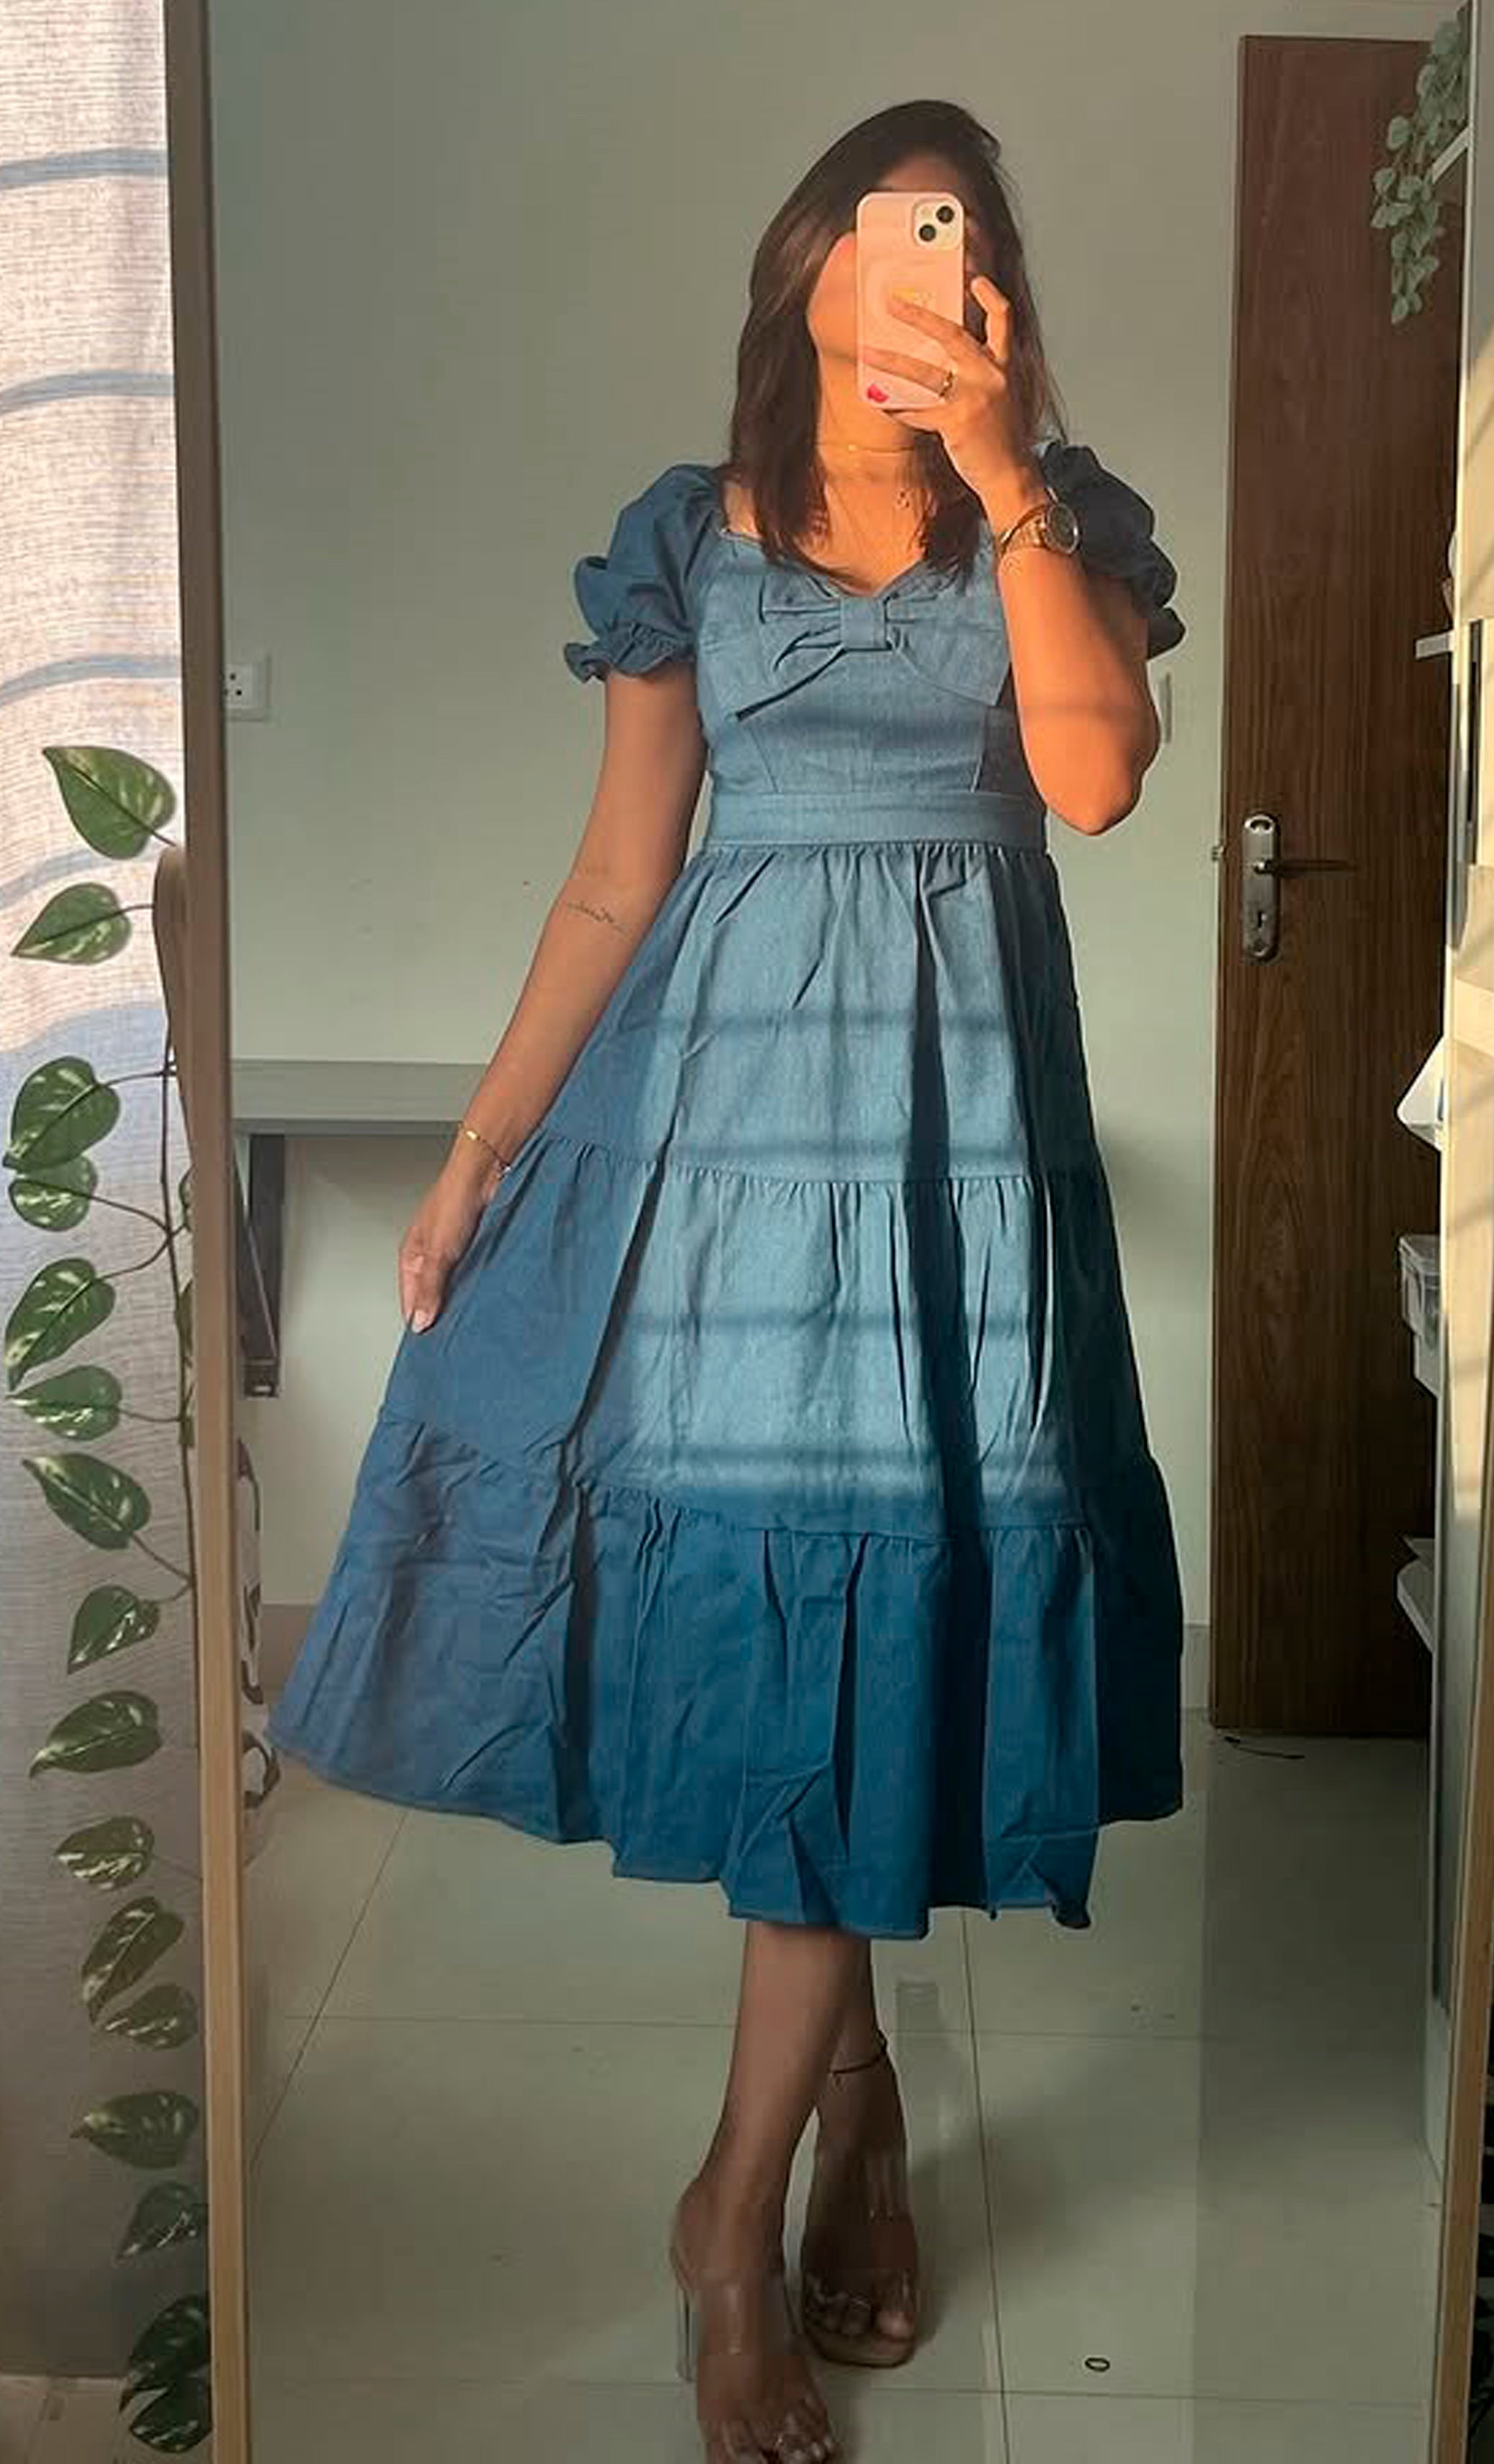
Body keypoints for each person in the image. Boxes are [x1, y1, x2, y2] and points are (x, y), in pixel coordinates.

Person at [267, 95, 1186, 2464]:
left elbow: (1097, 784)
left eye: (951, 251)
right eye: (879, 246)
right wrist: (479, 1150)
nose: (910, 285)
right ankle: (743, 2206)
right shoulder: (691, 538)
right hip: (739, 1170)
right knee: (809, 1652)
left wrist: (1009, 477)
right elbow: (616, 876)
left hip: (960, 1163)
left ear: (989, 295)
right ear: (806, 276)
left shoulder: (1060, 522)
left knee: (886, 1625)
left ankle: (817, 2139)